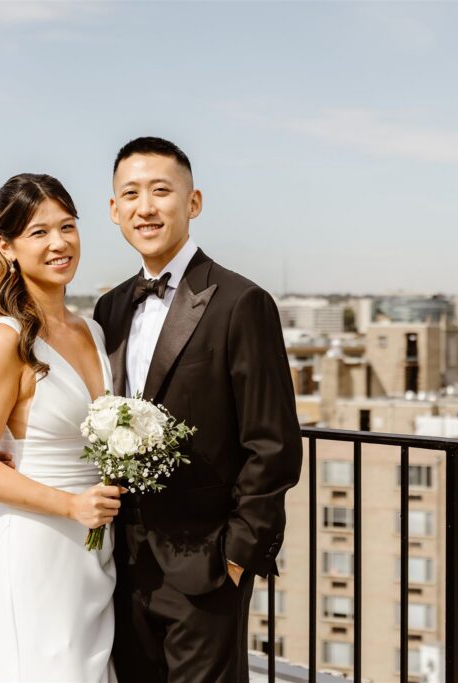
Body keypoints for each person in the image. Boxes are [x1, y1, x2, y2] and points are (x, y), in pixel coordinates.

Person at [93, 137, 304, 683]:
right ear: (113, 209)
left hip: (206, 567)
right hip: (122, 564)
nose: (145, 207)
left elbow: (273, 444)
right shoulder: (109, 307)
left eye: (161, 191)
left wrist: (236, 556)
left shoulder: (241, 302)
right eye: (130, 194)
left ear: (194, 202)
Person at [0, 173, 120, 682]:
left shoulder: (92, 330)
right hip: (40, 544)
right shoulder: (4, 339)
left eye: (67, 226)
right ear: (7, 247)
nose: (59, 243)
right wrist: (71, 505)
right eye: (39, 232)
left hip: (97, 546)